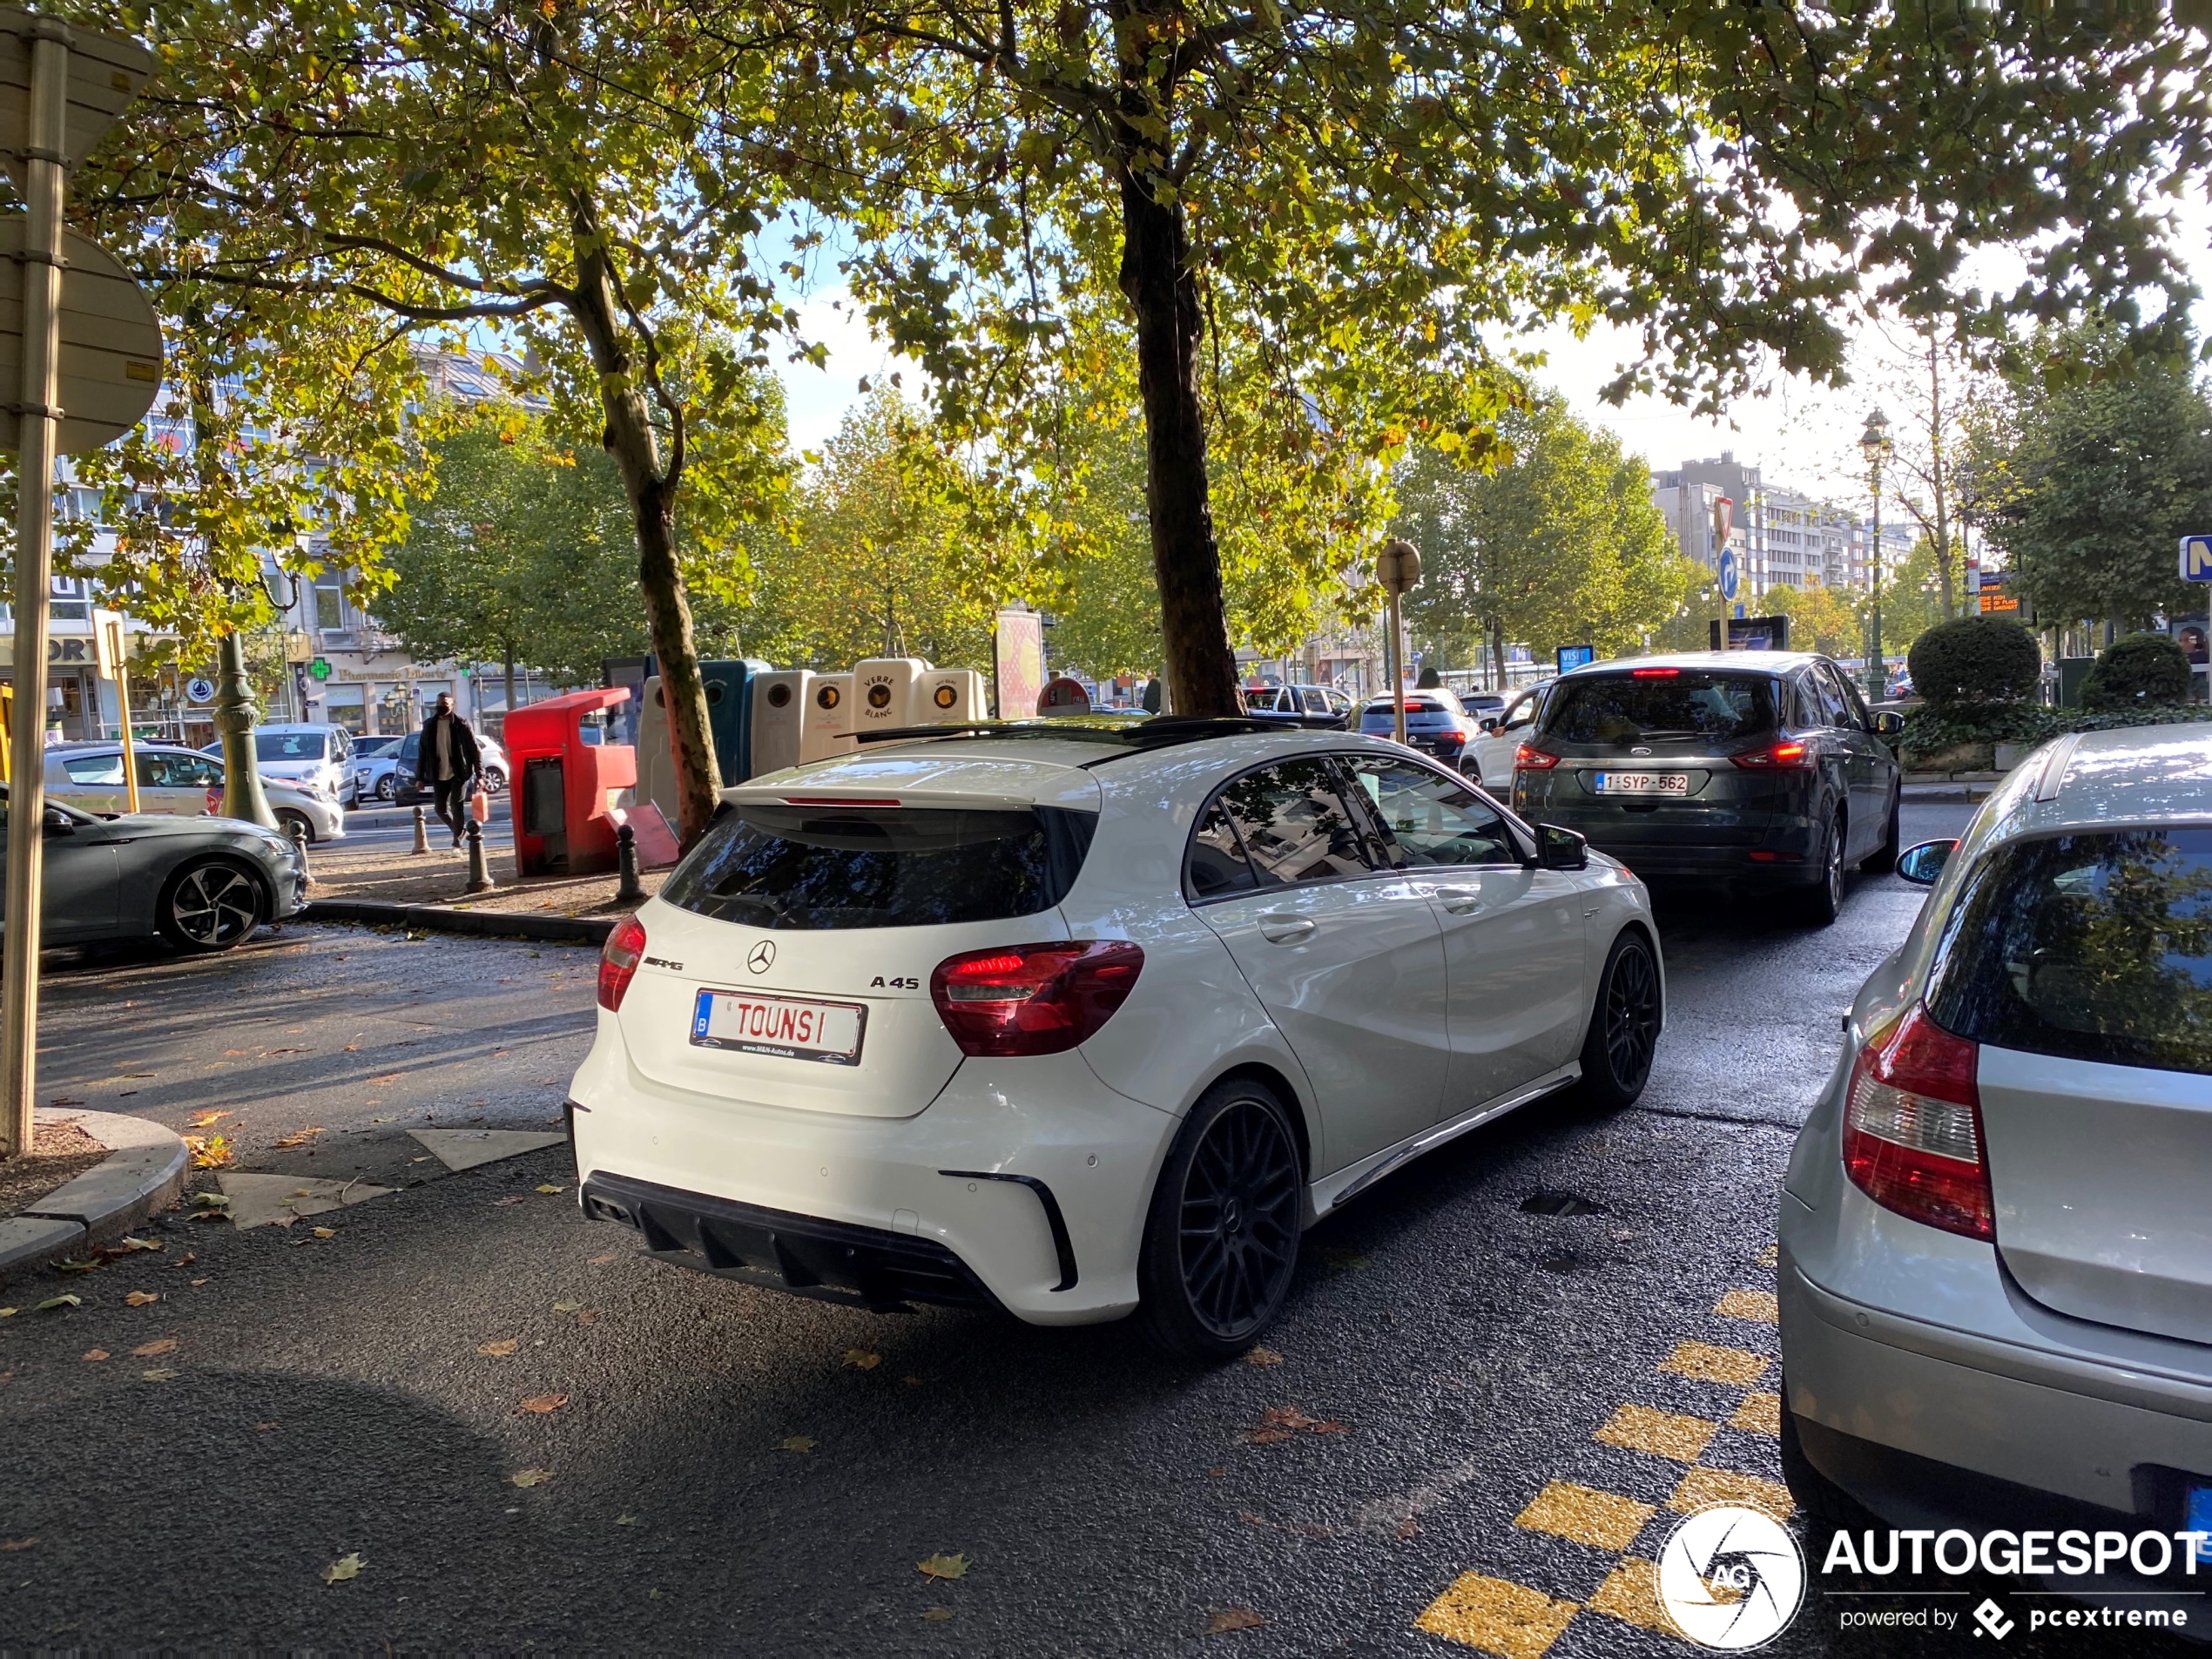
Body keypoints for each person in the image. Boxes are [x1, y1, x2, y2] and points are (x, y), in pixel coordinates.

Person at [418, 692, 482, 849]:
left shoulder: (461, 724)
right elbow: (422, 752)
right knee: (440, 808)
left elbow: (474, 750)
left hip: (459, 771)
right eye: (439, 703)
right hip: (438, 772)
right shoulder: (429, 725)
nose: (441, 706)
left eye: (445, 703)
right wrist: (419, 777)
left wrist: (480, 774)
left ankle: (457, 841)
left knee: (456, 805)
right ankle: (459, 831)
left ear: (452, 705)